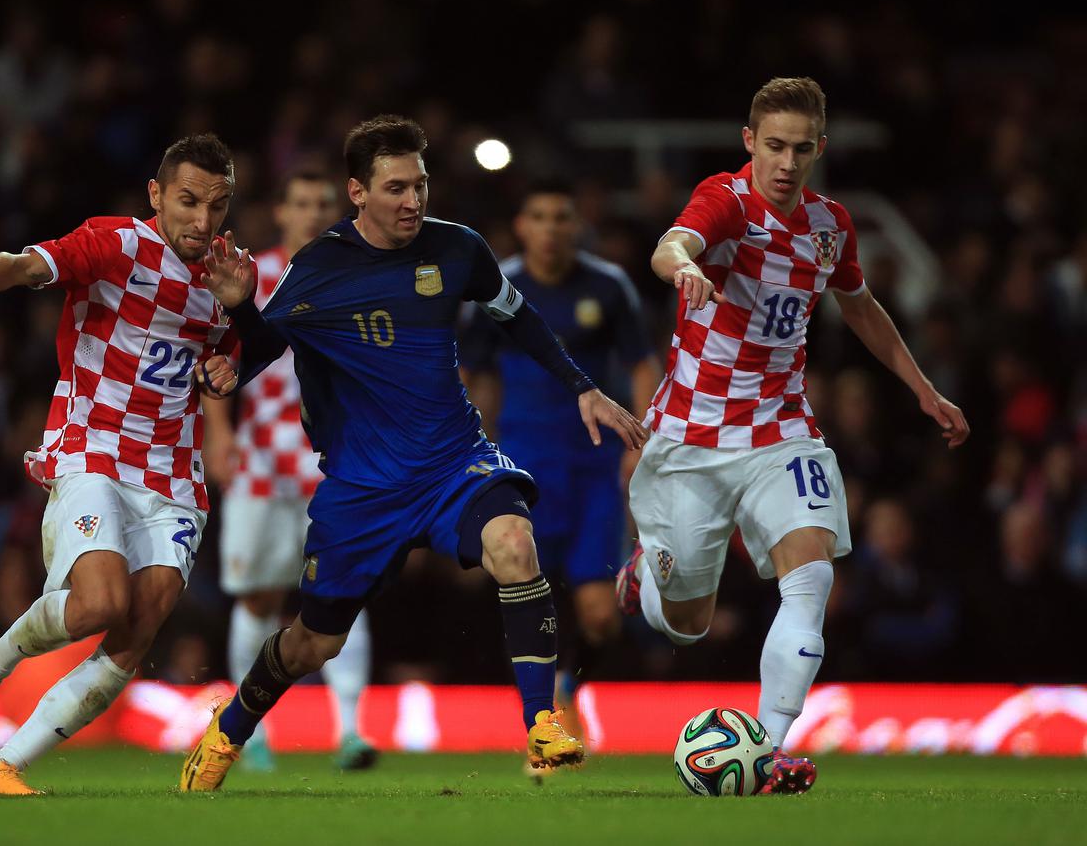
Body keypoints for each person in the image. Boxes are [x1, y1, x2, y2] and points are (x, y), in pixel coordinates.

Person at [180, 115, 647, 791]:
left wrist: (584, 387)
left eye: (420, 185)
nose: (413, 201)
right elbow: (258, 350)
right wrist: (238, 319)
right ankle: (230, 728)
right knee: (315, 641)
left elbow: (518, 318)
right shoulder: (320, 267)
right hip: (364, 486)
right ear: (357, 192)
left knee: (516, 543)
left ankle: (543, 722)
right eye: (395, 187)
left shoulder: (458, 250)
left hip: (454, 461)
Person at [615, 77, 970, 794]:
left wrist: (923, 389)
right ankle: (641, 583)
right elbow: (670, 245)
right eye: (773, 145)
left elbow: (860, 306)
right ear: (750, 142)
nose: (785, 161)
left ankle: (766, 751)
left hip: (782, 429)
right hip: (694, 436)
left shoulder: (830, 224)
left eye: (800, 149)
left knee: (811, 578)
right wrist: (685, 267)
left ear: (819, 150)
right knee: (687, 623)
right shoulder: (728, 200)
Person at [0, 133, 251, 795]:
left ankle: (1, 767)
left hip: (175, 479)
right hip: (94, 448)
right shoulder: (116, 243)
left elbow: (242, 350)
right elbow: (28, 262)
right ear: (156, 195)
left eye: (218, 205)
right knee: (98, 602)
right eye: (187, 202)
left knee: (135, 628)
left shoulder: (232, 276)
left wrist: (233, 354)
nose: (202, 222)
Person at [459, 179, 660, 725]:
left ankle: (568, 684)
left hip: (593, 469)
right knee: (525, 592)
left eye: (561, 216)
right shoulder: (496, 291)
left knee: (600, 616)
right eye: (539, 216)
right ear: (522, 226)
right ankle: (544, 717)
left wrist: (641, 444)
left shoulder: (609, 286)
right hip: (522, 469)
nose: (550, 228)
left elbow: (643, 364)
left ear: (577, 226)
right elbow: (469, 376)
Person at [201, 170, 377, 771]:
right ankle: (252, 736)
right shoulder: (254, 275)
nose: (310, 212)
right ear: (281, 210)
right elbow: (216, 356)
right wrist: (218, 432)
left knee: (343, 591)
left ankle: (351, 731)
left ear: (340, 207)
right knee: (257, 599)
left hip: (334, 459)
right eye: (300, 202)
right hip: (259, 463)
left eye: (320, 202)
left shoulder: (355, 271)